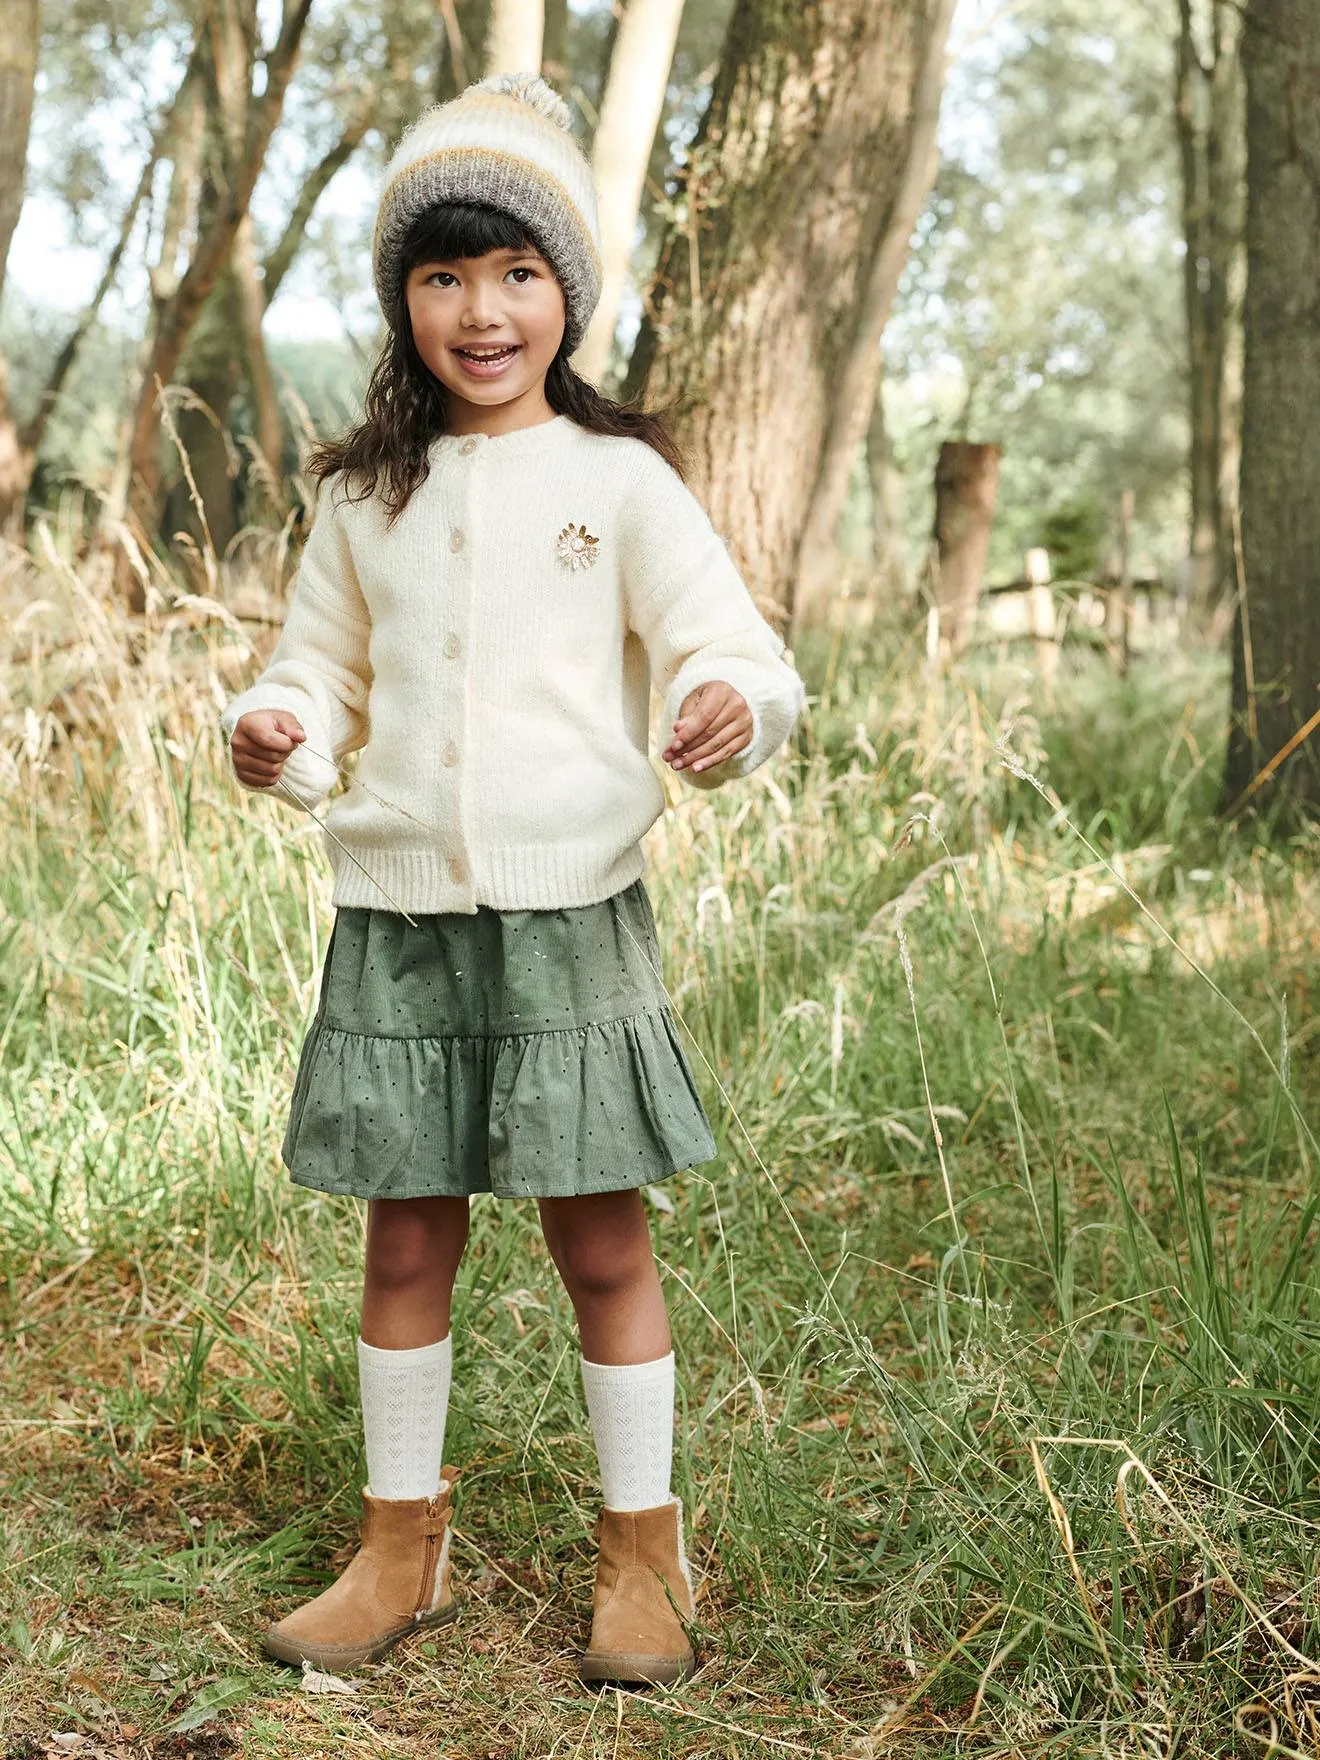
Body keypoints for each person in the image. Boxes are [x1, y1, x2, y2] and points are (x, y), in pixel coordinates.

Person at [219, 71, 806, 1689]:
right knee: (405, 1240)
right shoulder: (362, 496)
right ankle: (400, 1541)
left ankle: (645, 1550)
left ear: (567, 293)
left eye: (517, 273)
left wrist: (730, 709)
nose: (483, 311)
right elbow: (310, 678)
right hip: (398, 928)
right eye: (444, 275)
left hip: (570, 922)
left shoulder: (618, 483)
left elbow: (737, 652)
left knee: (600, 1239)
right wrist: (274, 731)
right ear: (405, 298)